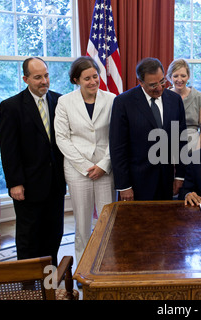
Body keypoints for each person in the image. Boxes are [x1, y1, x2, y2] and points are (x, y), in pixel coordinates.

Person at [0, 57, 66, 266]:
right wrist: (14, 183)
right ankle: (28, 284)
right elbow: (9, 149)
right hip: (28, 185)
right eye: (38, 77)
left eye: (46, 75)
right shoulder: (11, 107)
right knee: (29, 235)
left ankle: (49, 277)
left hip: (55, 182)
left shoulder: (60, 101)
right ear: (25, 79)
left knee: (54, 232)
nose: (44, 81)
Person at [54, 56, 116, 264]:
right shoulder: (64, 102)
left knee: (107, 221)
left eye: (95, 76)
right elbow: (62, 138)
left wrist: (103, 165)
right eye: (87, 78)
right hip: (77, 170)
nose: (93, 82)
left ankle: (106, 265)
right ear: (76, 80)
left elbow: (115, 136)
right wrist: (85, 167)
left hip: (105, 169)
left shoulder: (112, 99)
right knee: (82, 224)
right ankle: (82, 267)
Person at [109, 57, 187, 201]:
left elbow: (181, 140)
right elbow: (117, 147)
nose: (159, 88)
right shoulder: (123, 102)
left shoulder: (175, 100)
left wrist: (180, 175)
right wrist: (124, 186)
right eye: (152, 85)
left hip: (166, 179)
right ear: (140, 82)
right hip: (137, 182)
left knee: (167, 222)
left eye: (162, 81)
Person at [167, 58, 201, 151]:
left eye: (183, 76)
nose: (179, 79)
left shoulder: (200, 97)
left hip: (193, 143)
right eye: (175, 76)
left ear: (188, 76)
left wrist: (199, 149)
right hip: (168, 142)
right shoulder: (164, 97)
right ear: (170, 77)